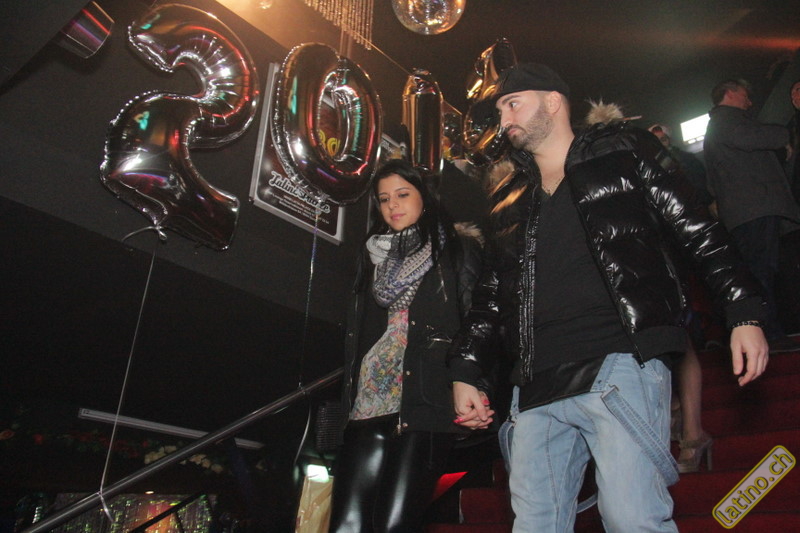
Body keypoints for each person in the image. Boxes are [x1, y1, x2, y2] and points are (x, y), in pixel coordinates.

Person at [446, 63, 769, 532]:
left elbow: (697, 229)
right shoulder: (508, 196)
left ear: (553, 101)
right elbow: (491, 292)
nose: (504, 119)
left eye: (512, 104)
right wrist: (466, 369)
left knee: (632, 519)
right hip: (534, 382)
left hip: (618, 362)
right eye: (499, 111)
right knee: (534, 526)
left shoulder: (623, 150)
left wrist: (743, 312)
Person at [329, 159, 489, 532]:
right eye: (384, 199)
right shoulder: (373, 258)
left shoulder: (457, 248)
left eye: (402, 194)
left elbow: (476, 321)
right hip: (369, 400)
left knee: (394, 524)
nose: (393, 205)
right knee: (346, 524)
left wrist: (475, 382)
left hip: (424, 398)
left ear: (424, 197)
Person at [703, 78, 800, 345]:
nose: (749, 101)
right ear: (730, 93)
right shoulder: (728, 119)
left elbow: (711, 183)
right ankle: (769, 333)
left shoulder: (715, 128)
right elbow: (751, 137)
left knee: (757, 271)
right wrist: (783, 136)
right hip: (755, 209)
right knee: (760, 272)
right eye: (745, 94)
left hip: (742, 213)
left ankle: (767, 331)